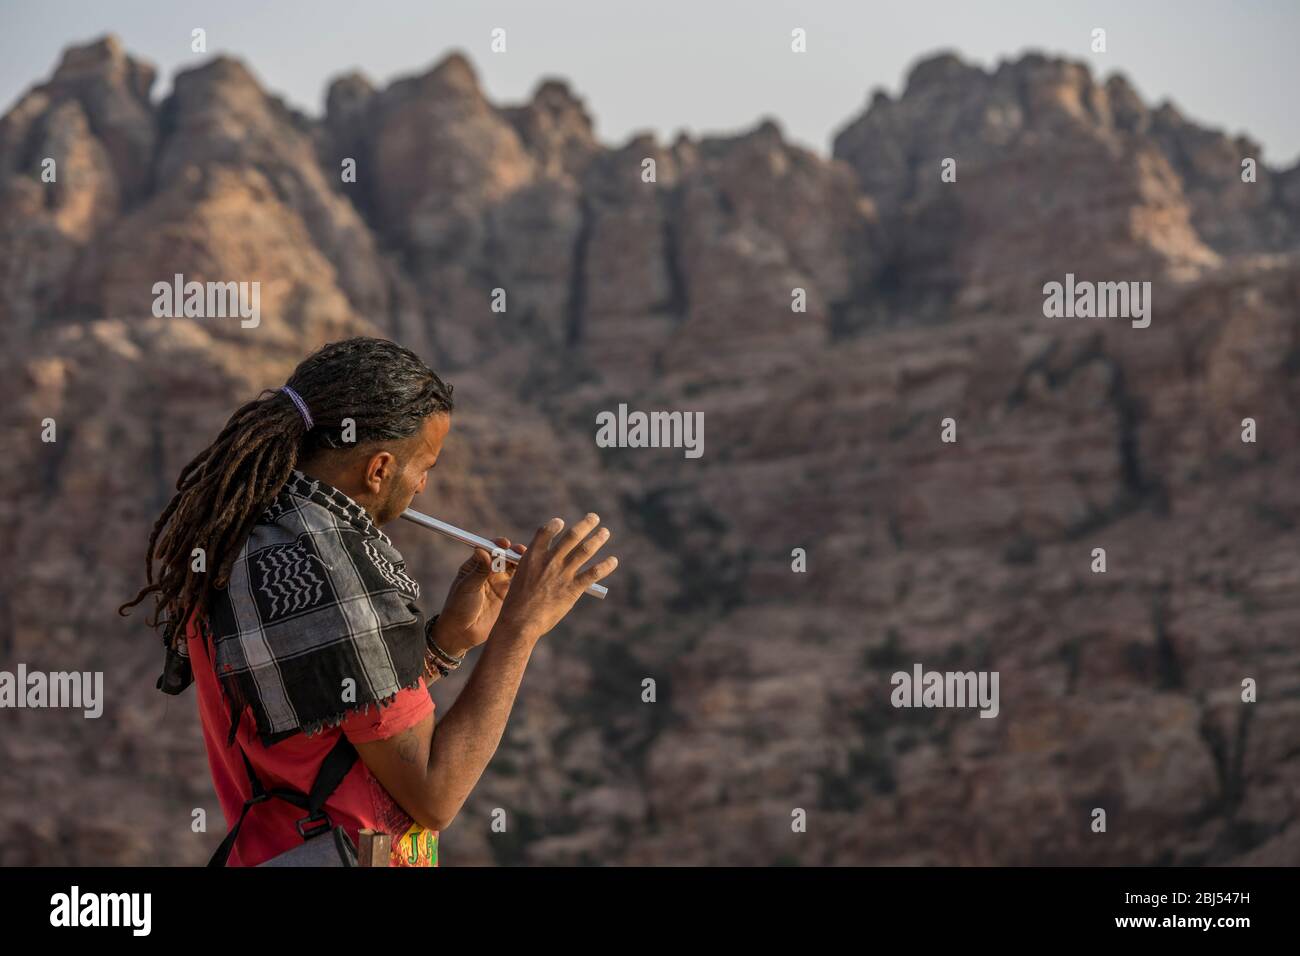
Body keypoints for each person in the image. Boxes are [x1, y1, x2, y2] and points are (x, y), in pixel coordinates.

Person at [119, 336, 618, 866]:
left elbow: (340, 706)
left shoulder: (253, 535)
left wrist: (445, 642)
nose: (423, 485)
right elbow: (435, 794)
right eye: (424, 466)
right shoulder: (329, 562)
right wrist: (522, 626)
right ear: (378, 469)